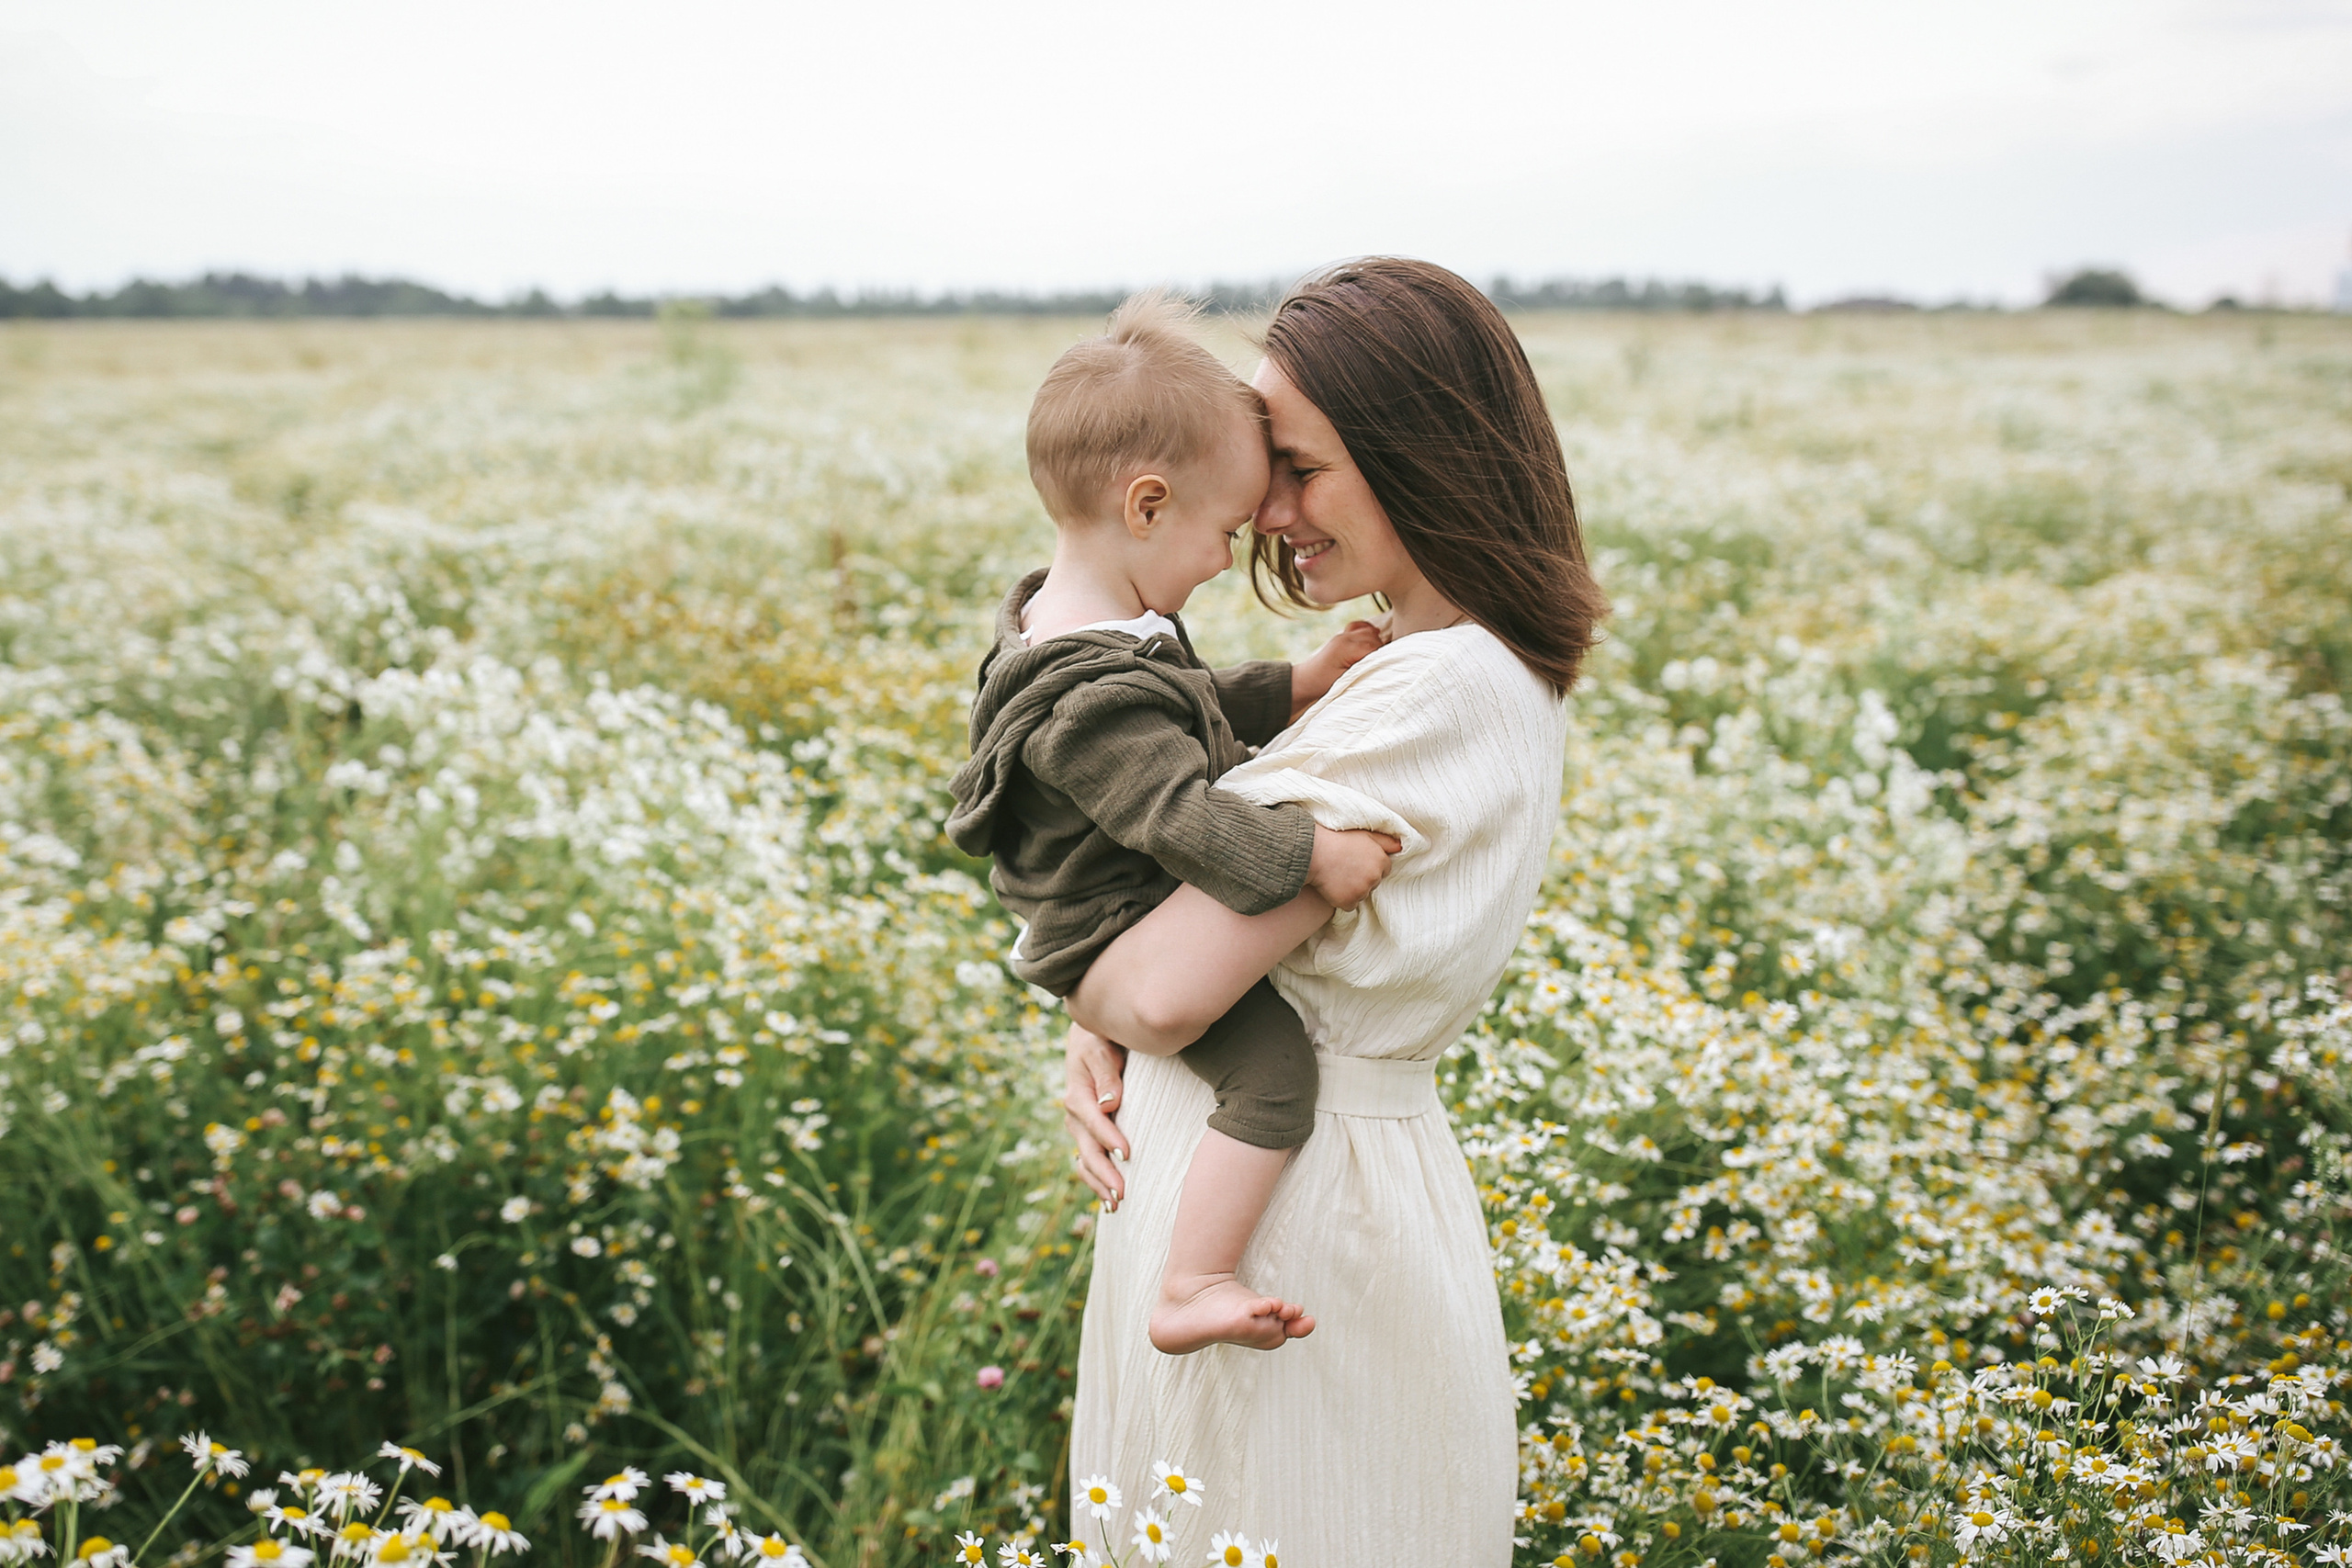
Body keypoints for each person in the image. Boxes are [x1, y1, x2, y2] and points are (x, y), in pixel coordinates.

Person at [1061, 257, 1609, 1562]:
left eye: (1297, 467)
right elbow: (1169, 964)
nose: (1263, 513)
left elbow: (1164, 984)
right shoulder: (1429, 670)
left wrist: (1090, 1000)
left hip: (1295, 1221)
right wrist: (1110, 1023)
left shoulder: (1438, 690)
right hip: (1263, 1194)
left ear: (1417, 454)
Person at [945, 291, 1402, 1357]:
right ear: (1146, 506)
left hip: (1109, 916)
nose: (1226, 558)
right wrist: (1311, 859)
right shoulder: (1086, 697)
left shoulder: (1088, 632)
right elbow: (1180, 813)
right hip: (1112, 928)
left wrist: (1297, 682)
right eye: (1225, 532)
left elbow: (1185, 702)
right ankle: (1192, 1281)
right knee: (1273, 1075)